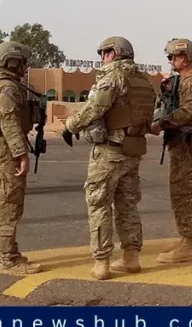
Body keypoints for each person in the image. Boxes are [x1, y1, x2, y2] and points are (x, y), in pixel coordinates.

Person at [62, 36, 156, 280]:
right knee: (128, 205)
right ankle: (131, 258)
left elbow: (95, 109)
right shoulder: (144, 81)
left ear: (113, 53)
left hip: (109, 151)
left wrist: (70, 125)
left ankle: (102, 263)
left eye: (104, 53)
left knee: (99, 203)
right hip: (133, 150)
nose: (102, 58)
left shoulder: (112, 78)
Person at [0, 41, 41, 274]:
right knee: (10, 205)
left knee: (2, 202)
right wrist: (21, 154)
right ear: (12, 61)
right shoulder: (7, 88)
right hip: (6, 150)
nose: (25, 66)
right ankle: (9, 258)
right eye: (23, 62)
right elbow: (10, 123)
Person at [151, 38, 192, 264]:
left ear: (184, 57)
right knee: (180, 190)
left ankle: (188, 242)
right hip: (184, 142)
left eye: (173, 57)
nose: (170, 61)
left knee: (183, 192)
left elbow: (190, 111)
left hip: (186, 143)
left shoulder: (190, 82)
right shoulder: (188, 81)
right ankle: (185, 237)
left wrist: (161, 123)